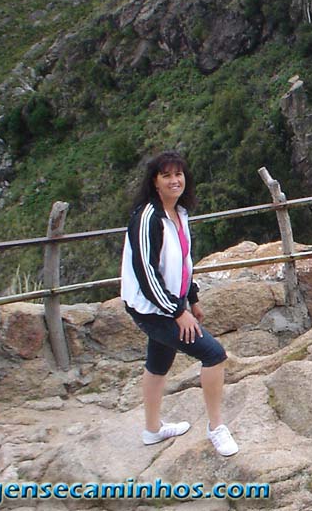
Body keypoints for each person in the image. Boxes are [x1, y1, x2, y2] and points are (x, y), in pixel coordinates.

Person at [120, 150, 239, 457]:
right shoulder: (148, 218)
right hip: (153, 309)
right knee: (213, 355)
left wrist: (192, 297)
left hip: (168, 304)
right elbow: (146, 273)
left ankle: (152, 429)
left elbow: (182, 262)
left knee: (158, 363)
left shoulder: (179, 213)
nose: (175, 180)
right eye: (167, 175)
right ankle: (216, 428)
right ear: (154, 182)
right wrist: (178, 312)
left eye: (179, 174)